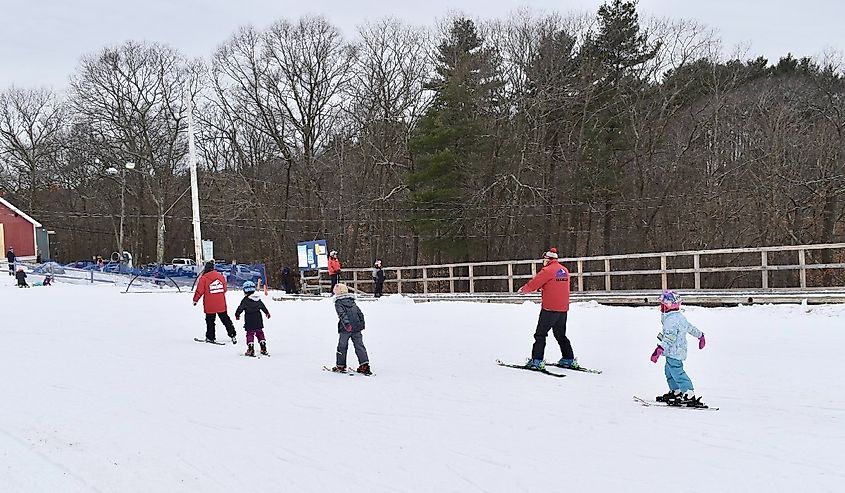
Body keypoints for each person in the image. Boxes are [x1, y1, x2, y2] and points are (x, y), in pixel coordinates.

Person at [517, 247, 576, 370]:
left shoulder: (548, 270)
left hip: (550, 308)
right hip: (563, 308)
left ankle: (537, 360)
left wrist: (524, 290)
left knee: (540, 334)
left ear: (547, 259)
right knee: (560, 335)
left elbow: (534, 283)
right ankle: (568, 358)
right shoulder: (564, 270)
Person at [650, 290, 707, 407]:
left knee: (677, 372)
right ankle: (676, 392)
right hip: (674, 351)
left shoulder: (671, 320)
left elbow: (669, 338)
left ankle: (688, 393)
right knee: (669, 371)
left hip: (674, 352)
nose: (660, 307)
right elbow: (690, 328)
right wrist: (700, 335)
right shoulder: (678, 317)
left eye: (662, 305)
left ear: (668, 306)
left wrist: (659, 349)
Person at [193, 260, 238, 344]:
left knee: (210, 321)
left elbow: (199, 291)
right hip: (221, 303)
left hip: (209, 304)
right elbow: (224, 289)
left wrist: (195, 300)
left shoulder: (204, 278)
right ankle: (232, 334)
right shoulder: (220, 277)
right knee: (225, 319)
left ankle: (210, 337)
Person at [330, 283, 371, 375]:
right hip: (356, 327)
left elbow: (342, 315)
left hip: (346, 329)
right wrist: (362, 323)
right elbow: (359, 313)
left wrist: (347, 325)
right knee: (359, 346)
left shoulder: (338, 303)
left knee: (342, 347)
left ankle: (340, 365)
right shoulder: (351, 301)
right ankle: (364, 365)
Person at [235, 280, 271, 357]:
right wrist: (267, 313)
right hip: (258, 319)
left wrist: (237, 314)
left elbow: (240, 308)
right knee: (260, 333)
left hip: (249, 319)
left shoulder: (245, 300)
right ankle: (263, 347)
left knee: (250, 334)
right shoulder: (258, 299)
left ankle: (250, 349)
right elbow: (263, 306)